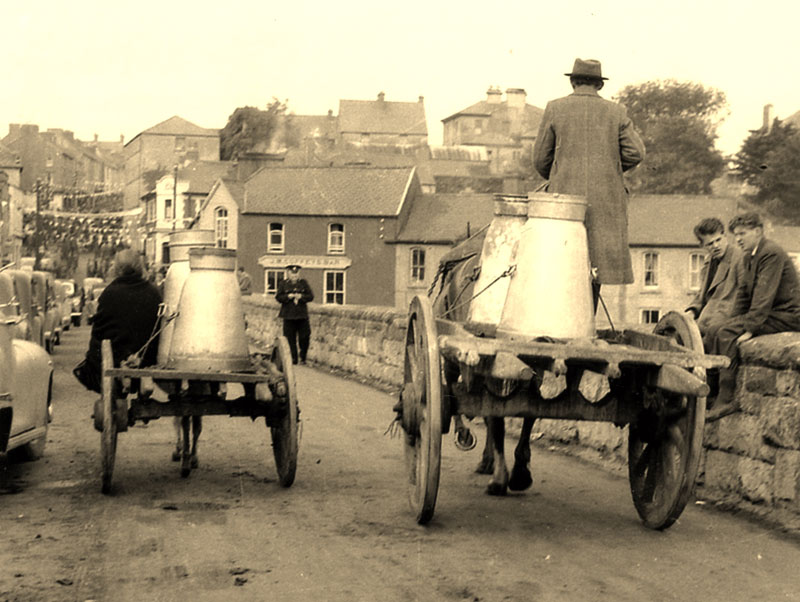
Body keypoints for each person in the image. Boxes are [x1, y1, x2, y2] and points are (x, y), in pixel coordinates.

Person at [533, 58, 646, 307]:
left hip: (563, 202)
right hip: (605, 203)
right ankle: (587, 322)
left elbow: (540, 159)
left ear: (573, 82)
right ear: (599, 85)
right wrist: (610, 171)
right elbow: (636, 153)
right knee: (595, 266)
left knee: (562, 264)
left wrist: (560, 176)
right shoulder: (616, 111)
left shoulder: (554, 108)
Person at [706, 213, 800, 421]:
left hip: (788, 315)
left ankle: (726, 398)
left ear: (758, 232)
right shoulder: (749, 255)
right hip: (770, 313)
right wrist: (731, 320)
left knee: (727, 333)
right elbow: (743, 294)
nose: (738, 239)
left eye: (743, 234)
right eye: (736, 235)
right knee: (715, 329)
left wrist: (749, 329)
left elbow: (763, 297)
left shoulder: (771, 253)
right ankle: (710, 392)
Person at [75, 249, 163, 395]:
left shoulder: (110, 292)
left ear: (116, 268)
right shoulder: (153, 291)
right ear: (140, 267)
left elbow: (100, 328)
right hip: (148, 355)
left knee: (98, 342)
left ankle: (121, 381)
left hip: (117, 354)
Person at [685, 217, 745, 347]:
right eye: (710, 244)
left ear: (725, 236)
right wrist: (691, 311)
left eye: (719, 240)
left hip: (723, 320)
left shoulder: (739, 257)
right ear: (702, 245)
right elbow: (702, 294)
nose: (716, 246)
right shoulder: (709, 261)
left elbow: (744, 296)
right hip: (706, 319)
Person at [275, 264, 314, 365]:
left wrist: (301, 296)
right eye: (292, 274)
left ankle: (303, 357)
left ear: (299, 274)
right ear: (288, 273)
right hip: (288, 315)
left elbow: (311, 296)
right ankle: (293, 358)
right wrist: (288, 296)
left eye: (296, 275)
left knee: (305, 337)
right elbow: (278, 297)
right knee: (289, 339)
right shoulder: (283, 284)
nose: (294, 276)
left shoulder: (303, 283)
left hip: (302, 315)